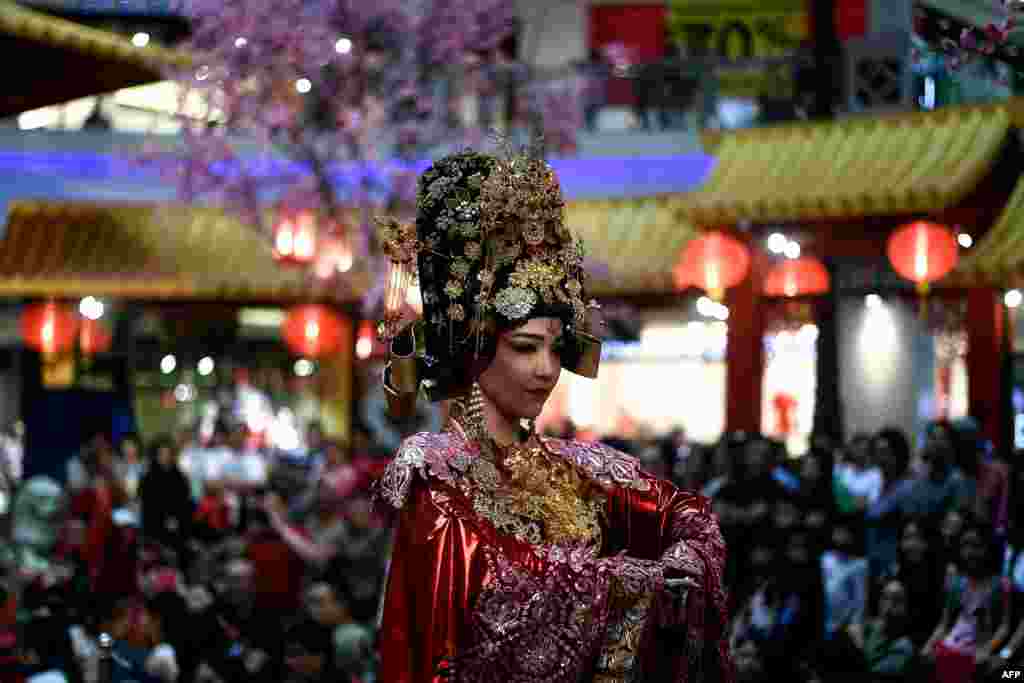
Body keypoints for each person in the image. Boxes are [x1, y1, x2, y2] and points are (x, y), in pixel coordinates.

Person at [373, 146, 731, 682]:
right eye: (524, 347)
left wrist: (682, 562)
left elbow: (687, 513)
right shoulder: (436, 473)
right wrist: (630, 584)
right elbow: (490, 595)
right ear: (475, 349)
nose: (546, 369)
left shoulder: (578, 469)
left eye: (556, 348)